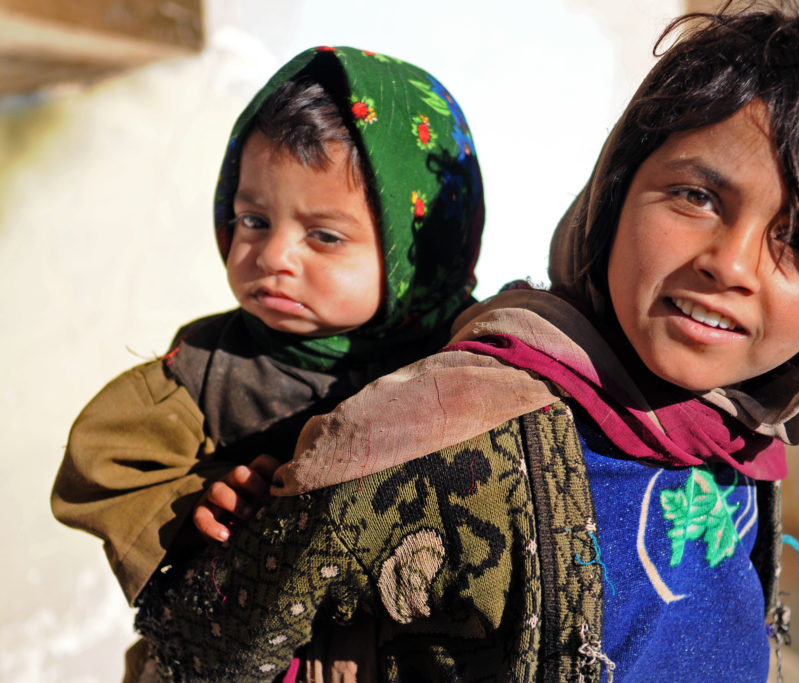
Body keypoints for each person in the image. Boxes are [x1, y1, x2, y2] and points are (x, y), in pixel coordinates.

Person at [134, 5, 799, 682]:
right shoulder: (444, 433)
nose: (728, 264)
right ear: (616, 194)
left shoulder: (738, 436)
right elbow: (198, 652)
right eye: (694, 196)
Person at [51, 46, 484, 679]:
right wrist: (194, 502)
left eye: (324, 236)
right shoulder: (210, 366)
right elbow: (104, 460)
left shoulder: (469, 362)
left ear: (420, 245)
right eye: (253, 219)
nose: (272, 254)